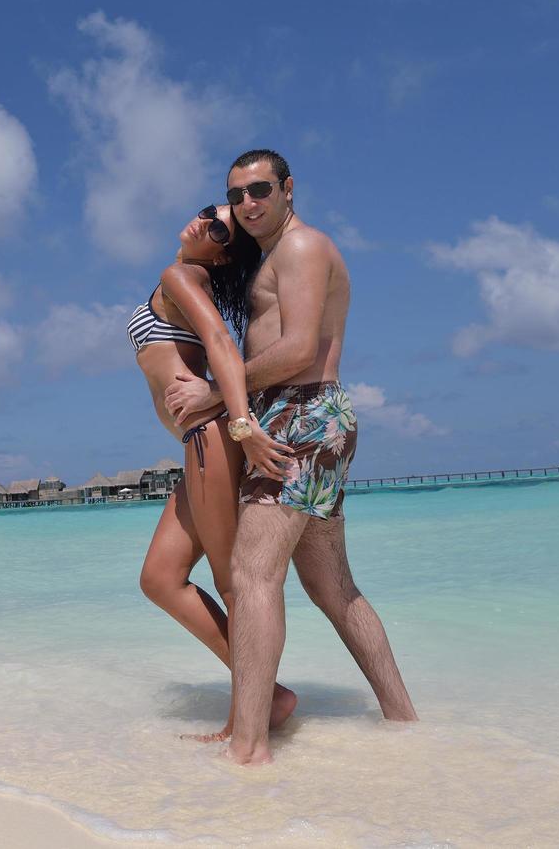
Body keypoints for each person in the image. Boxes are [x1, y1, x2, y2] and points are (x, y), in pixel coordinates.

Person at [166, 149, 418, 766]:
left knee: (253, 576)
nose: (248, 203)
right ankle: (406, 724)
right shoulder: (275, 252)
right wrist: (214, 229)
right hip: (312, 419)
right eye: (237, 194)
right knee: (334, 589)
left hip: (299, 415)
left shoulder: (303, 248)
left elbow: (300, 348)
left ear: (288, 189)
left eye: (259, 190)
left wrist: (217, 391)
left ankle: (249, 748)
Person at [132, 203, 297, 741]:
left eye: (218, 227)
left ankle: (249, 715)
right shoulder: (186, 276)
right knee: (159, 579)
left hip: (211, 441)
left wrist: (244, 430)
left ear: (224, 252)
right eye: (209, 213)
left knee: (234, 584)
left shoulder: (179, 275)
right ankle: (267, 695)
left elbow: (223, 345)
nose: (204, 222)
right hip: (199, 444)